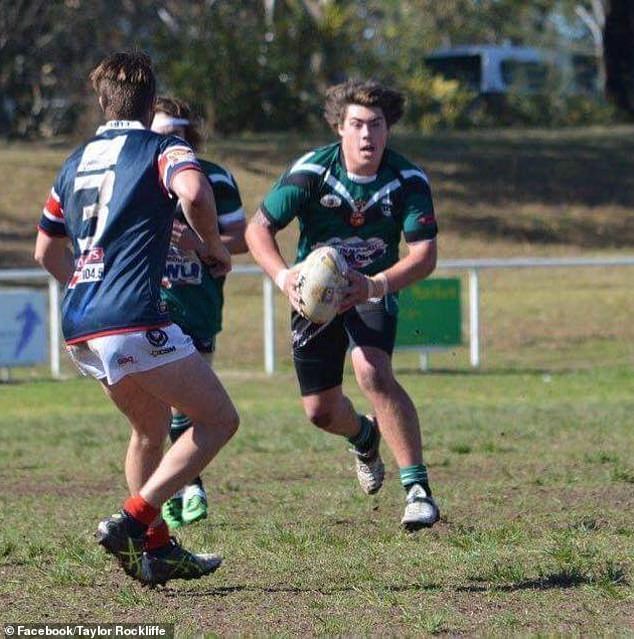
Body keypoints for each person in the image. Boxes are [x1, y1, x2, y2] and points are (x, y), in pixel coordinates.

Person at [34, 52, 239, 585]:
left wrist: (86, 287)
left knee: (149, 431)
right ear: (152, 104)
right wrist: (212, 246)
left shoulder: (73, 161)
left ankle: (156, 551)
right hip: (130, 315)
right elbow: (193, 190)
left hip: (80, 322)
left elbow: (45, 252)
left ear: (102, 102)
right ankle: (132, 521)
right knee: (218, 420)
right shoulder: (162, 146)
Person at [245, 79, 440, 530]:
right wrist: (283, 275)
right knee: (320, 411)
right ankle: (364, 435)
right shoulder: (312, 172)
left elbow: (424, 257)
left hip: (371, 286)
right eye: (357, 125)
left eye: (376, 125)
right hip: (313, 294)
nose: (367, 136)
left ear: (389, 129)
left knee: (372, 370)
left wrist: (373, 286)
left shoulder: (407, 180)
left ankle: (417, 490)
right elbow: (259, 229)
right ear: (339, 127)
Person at [150, 96, 247, 530]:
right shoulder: (137, 177)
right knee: (162, 406)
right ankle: (186, 486)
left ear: (189, 134)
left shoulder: (216, 179)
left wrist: (201, 242)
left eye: (174, 133)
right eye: (158, 134)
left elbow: (242, 239)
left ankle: (182, 484)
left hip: (199, 302)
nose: (167, 142)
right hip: (148, 305)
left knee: (185, 403)